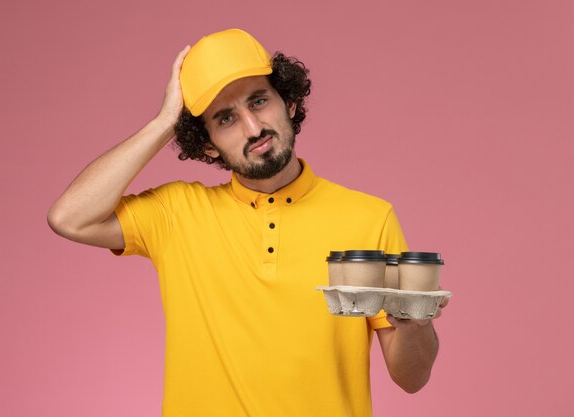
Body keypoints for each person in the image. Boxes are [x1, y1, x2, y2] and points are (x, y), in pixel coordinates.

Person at [48, 28, 444, 417]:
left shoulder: (368, 218)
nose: (253, 129)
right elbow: (69, 217)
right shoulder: (176, 213)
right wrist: (164, 121)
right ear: (206, 144)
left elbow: (412, 378)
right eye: (225, 119)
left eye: (258, 101)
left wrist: (412, 322)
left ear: (288, 102)